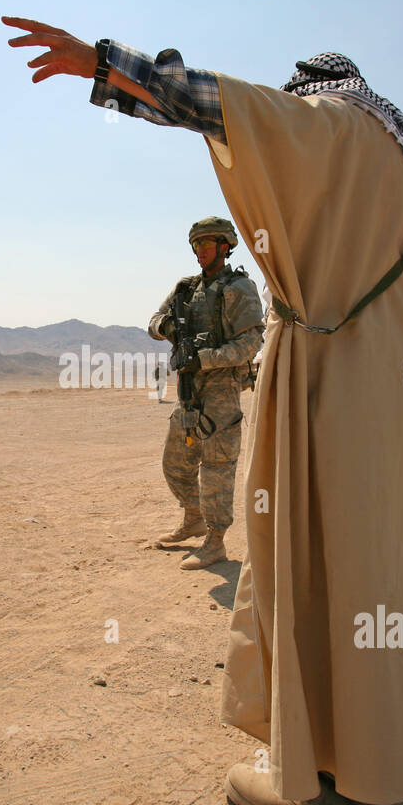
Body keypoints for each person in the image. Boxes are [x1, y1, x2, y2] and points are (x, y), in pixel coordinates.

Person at [4, 17, 403, 805]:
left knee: (309, 557)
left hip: (330, 382)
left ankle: (321, 770)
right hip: (397, 395)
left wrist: (105, 63)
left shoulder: (333, 125)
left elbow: (222, 108)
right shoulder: (398, 165)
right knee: (385, 563)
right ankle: (386, 762)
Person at [148, 217, 263, 570]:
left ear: (225, 246)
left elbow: (251, 342)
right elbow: (153, 321)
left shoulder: (239, 288)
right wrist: (168, 328)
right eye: (196, 245)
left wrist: (205, 358)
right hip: (188, 388)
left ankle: (215, 541)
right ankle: (193, 516)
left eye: (207, 245)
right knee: (175, 464)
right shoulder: (186, 289)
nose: (200, 252)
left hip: (222, 390)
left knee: (217, 468)